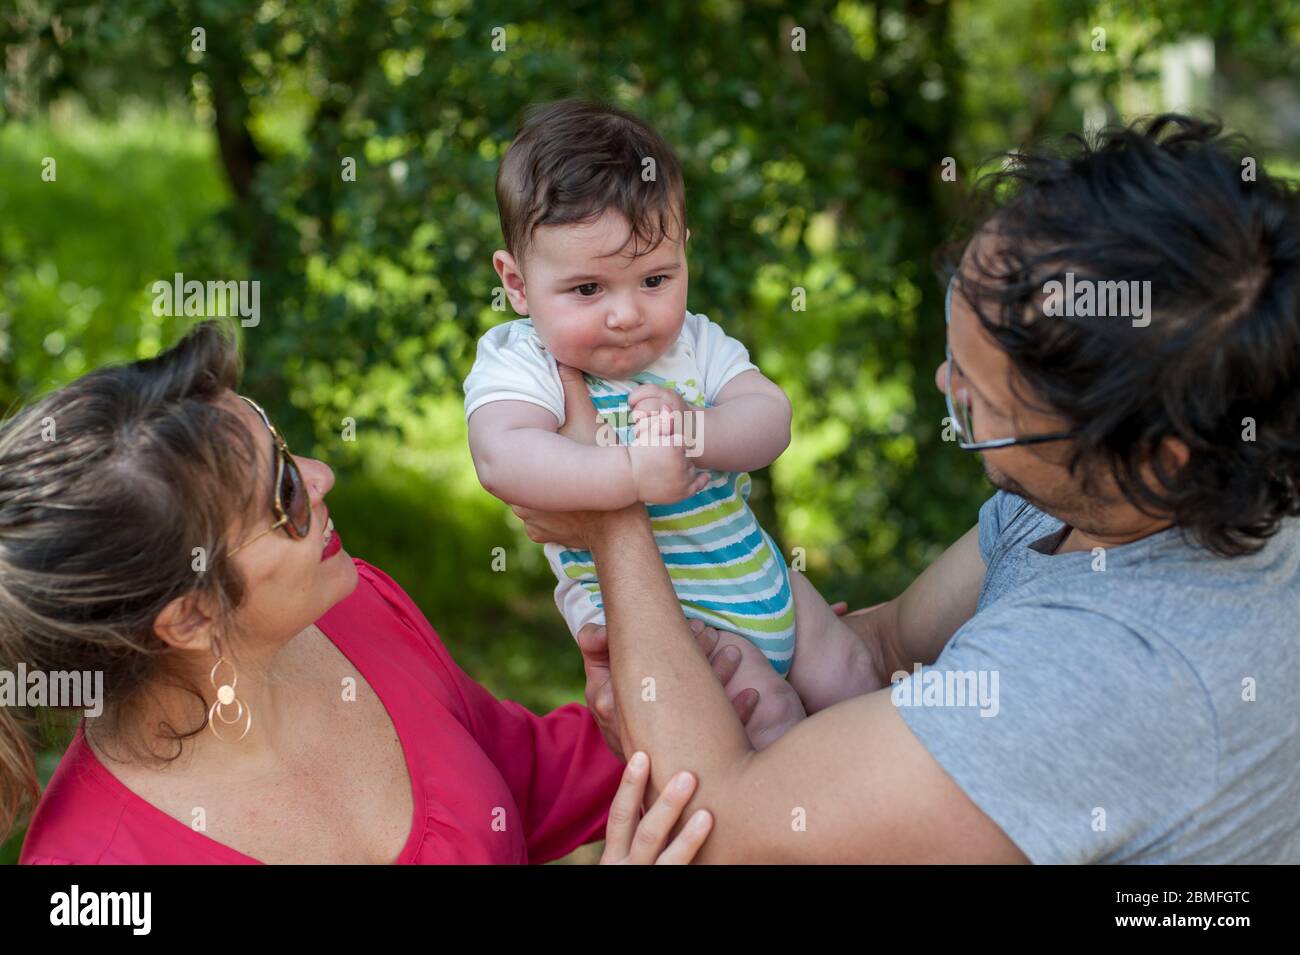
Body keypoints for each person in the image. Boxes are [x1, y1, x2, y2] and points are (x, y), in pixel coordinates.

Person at [517, 114, 1300, 863]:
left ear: (1154, 460)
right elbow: (888, 650)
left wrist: (612, 520)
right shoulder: (1104, 501)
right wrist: (679, 672)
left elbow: (719, 832)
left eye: (981, 398)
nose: (942, 381)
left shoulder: (1104, 675)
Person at [2, 322, 744, 864]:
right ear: (190, 616)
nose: (321, 475)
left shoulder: (355, 611)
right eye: (284, 495)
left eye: (278, 440)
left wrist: (679, 695)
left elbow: (518, 778)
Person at [464, 99, 880, 750]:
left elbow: (771, 418)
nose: (628, 313)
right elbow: (502, 456)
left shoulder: (695, 342)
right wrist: (630, 471)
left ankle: (894, 812)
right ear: (516, 283)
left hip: (761, 577)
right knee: (768, 717)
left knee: (854, 673)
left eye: (655, 278)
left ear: (684, 253)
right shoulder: (523, 362)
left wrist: (697, 430)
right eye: (588, 290)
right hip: (671, 615)